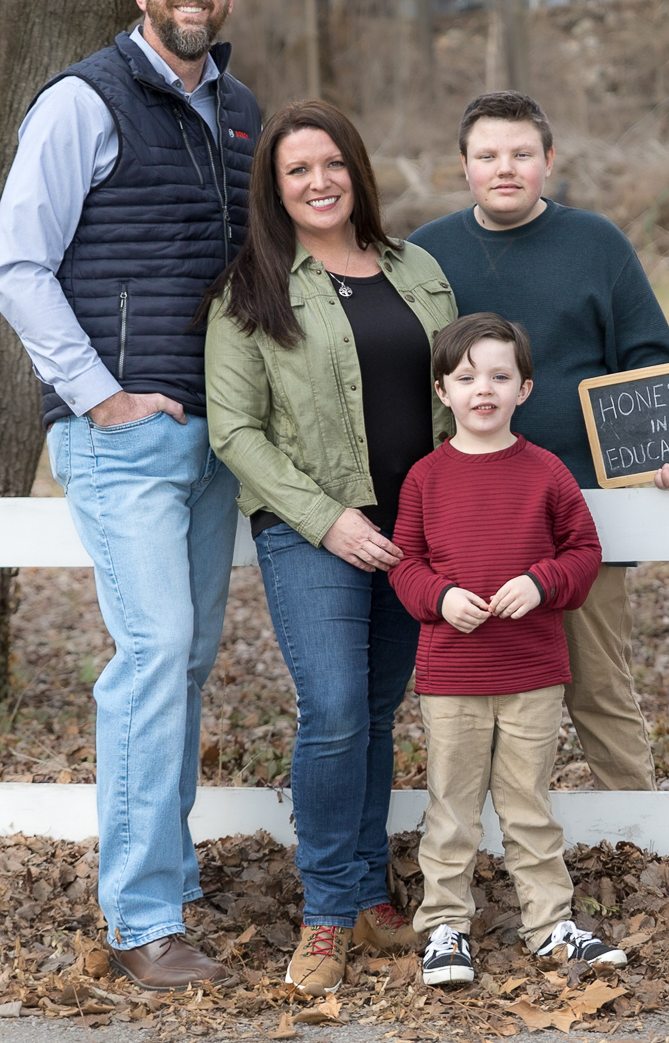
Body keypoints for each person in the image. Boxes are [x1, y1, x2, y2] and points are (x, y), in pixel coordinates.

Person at [0, 0, 261, 989]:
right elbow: (20, 265)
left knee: (186, 660)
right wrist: (99, 396)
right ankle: (143, 918)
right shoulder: (83, 100)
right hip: (124, 439)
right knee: (155, 654)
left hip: (214, 437)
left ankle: (168, 879)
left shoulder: (240, 113)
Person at [204, 98, 457, 995]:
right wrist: (328, 519)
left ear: (357, 170)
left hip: (411, 532)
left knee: (378, 712)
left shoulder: (417, 269)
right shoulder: (251, 291)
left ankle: (369, 898)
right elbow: (235, 431)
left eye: (332, 164)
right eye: (297, 170)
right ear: (274, 188)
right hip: (314, 532)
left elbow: (457, 387)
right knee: (337, 708)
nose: (319, 182)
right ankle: (325, 913)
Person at [409, 91, 669, 794]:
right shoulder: (426, 254)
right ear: (464, 165)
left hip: (582, 512)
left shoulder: (596, 243)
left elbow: (651, 357)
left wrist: (667, 448)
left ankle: (644, 830)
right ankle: (480, 836)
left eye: (521, 153)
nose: (504, 168)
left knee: (599, 685)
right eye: (487, 156)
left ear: (548, 159)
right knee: (472, 699)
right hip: (466, 519)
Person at [389, 313, 628, 985]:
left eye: (500, 376)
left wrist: (540, 581)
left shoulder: (546, 473)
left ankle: (550, 927)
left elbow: (584, 553)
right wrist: (440, 598)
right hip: (453, 677)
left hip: (532, 673)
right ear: (443, 391)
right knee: (452, 809)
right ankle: (445, 927)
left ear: (524, 388)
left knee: (529, 806)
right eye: (467, 378)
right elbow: (405, 564)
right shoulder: (425, 478)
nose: (483, 389)